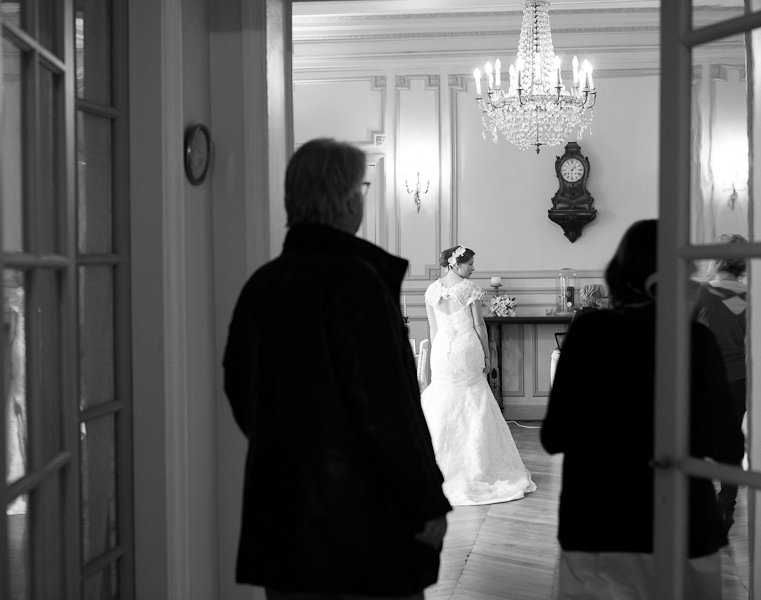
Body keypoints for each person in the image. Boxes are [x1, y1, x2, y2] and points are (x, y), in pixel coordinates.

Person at [223, 138, 451, 599]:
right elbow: (388, 409)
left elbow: (240, 391)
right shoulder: (358, 283)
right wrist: (425, 498)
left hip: (283, 517)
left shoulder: (262, 285)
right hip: (360, 526)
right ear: (348, 198)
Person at [541, 220, 744, 600]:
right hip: (682, 527)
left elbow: (553, 437)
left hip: (597, 525)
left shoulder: (588, 333)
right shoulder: (694, 341)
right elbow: (728, 449)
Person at [420, 245, 536, 506]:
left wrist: (436, 357)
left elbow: (433, 327)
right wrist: (486, 355)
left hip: (442, 352)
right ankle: (476, 464)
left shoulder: (431, 290)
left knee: (442, 401)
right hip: (466, 349)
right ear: (455, 264)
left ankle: (432, 465)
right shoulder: (470, 289)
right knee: (474, 400)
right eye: (470, 263)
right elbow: (479, 325)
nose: (473, 268)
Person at [693, 233, 748, 535]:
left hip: (702, 381)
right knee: (730, 448)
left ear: (716, 259)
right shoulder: (750, 297)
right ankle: (725, 508)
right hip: (738, 381)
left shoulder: (701, 293)